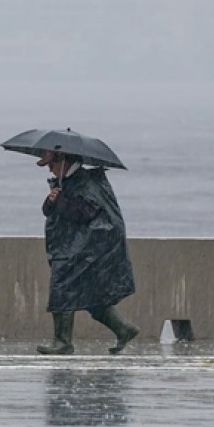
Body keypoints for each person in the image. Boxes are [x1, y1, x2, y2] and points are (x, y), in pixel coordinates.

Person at [35, 150, 139, 355]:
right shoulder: (65, 182)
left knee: (62, 289)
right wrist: (52, 200)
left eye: (51, 164)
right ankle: (124, 329)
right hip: (68, 247)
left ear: (63, 162)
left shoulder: (86, 184)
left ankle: (62, 342)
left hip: (81, 250)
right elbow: (48, 210)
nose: (49, 169)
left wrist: (60, 201)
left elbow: (86, 213)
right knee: (91, 295)